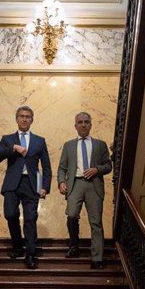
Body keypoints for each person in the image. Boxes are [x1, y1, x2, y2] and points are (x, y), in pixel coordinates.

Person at [0, 105, 52, 269]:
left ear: (32, 120)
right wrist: (13, 148)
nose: (24, 119)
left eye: (28, 117)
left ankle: (30, 254)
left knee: (30, 219)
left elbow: (46, 167)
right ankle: (17, 246)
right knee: (10, 214)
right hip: (12, 184)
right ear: (17, 119)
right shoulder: (8, 139)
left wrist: (45, 187)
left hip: (32, 185)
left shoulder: (40, 141)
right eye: (21, 116)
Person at [57, 112, 112, 269]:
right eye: (80, 122)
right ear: (75, 126)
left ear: (91, 125)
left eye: (86, 122)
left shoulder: (100, 144)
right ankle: (74, 246)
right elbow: (62, 168)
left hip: (94, 185)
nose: (83, 124)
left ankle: (97, 258)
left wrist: (96, 169)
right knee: (72, 215)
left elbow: (108, 166)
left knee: (96, 222)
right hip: (75, 184)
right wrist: (61, 182)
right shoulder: (68, 145)